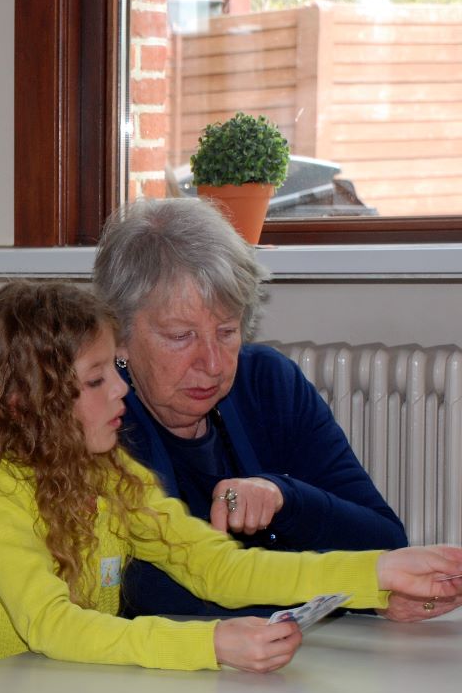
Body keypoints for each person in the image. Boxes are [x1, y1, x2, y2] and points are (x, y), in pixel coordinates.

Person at [0, 280, 462, 673]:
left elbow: (215, 566)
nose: (120, 392)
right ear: (23, 403)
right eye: (95, 380)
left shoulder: (110, 472)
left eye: (113, 373)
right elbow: (52, 626)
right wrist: (209, 645)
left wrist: (378, 571)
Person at [92, 198, 412, 619]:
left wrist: (285, 498)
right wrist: (355, 588)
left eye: (227, 331)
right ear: (120, 336)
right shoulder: (101, 417)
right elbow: (142, 590)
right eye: (180, 336)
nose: (213, 362)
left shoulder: (269, 384)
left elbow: (386, 544)